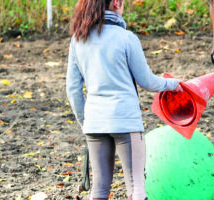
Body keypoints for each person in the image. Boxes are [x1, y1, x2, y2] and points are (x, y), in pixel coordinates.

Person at [66, 0, 182, 199]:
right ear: (116, 3)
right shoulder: (127, 38)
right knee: (136, 187)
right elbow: (147, 81)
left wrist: (86, 122)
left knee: (99, 189)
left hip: (94, 123)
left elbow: (73, 89)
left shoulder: (78, 39)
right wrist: (173, 84)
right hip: (125, 121)